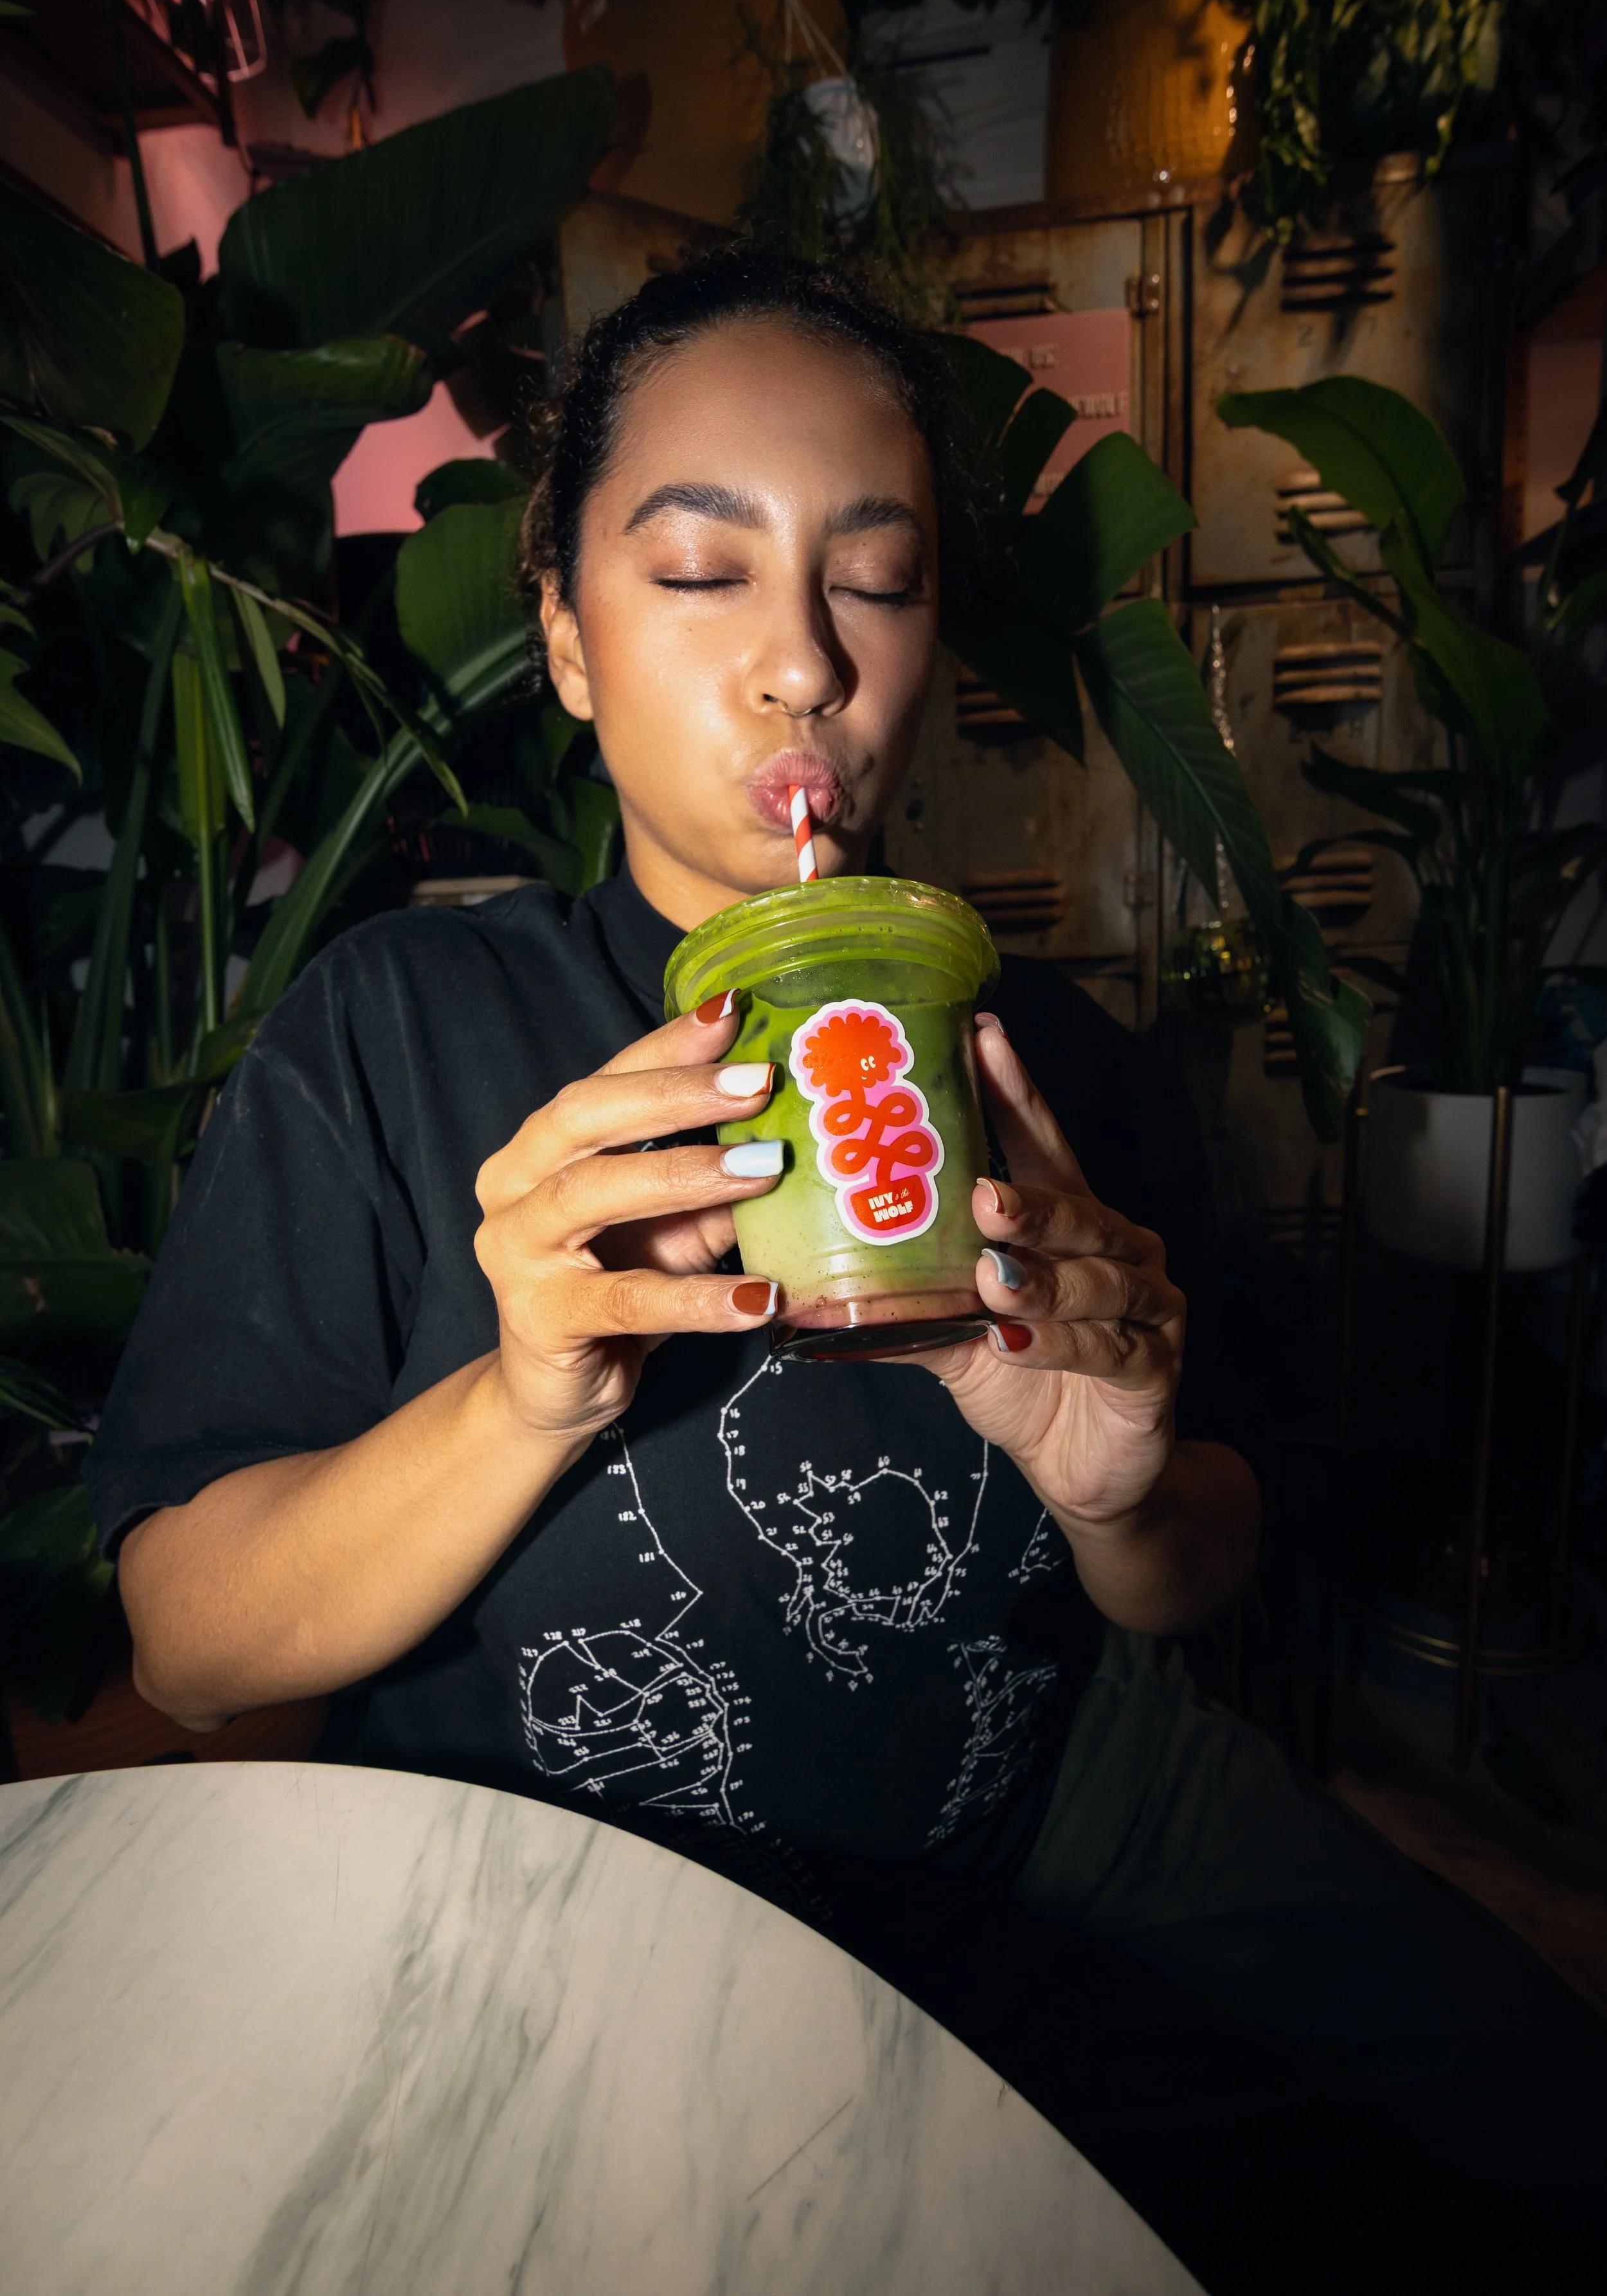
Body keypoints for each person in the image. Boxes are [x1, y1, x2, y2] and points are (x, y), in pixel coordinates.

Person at [87, 251, 1605, 2292]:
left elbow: (1199, 1556)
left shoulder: (1053, 1065)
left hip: (1069, 1835)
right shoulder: (397, 1026)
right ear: (561, 636)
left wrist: (1123, 1486)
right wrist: (522, 1385)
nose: (801, 660)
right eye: (701, 572)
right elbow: (187, 1647)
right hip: (574, 1899)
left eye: (873, 581)